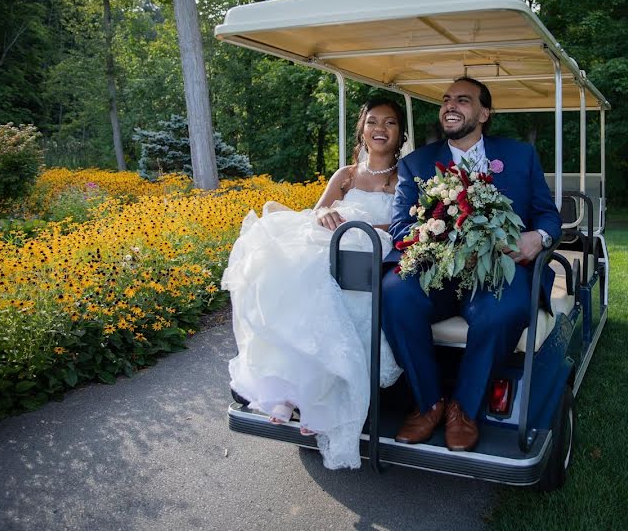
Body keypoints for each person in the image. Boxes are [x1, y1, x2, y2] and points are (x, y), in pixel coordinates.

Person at [222, 98, 407, 470]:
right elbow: (319, 210)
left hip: (373, 254)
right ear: (363, 130)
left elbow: (405, 227)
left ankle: (319, 398)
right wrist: (328, 215)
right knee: (297, 277)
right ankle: (291, 392)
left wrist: (365, 227)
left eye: (389, 123)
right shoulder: (346, 175)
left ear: (400, 133)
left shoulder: (402, 178)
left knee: (340, 299)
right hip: (336, 248)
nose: (380, 128)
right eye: (373, 121)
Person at [382, 77, 562, 452]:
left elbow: (547, 216)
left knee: (504, 311)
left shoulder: (519, 156)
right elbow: (401, 227)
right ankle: (429, 402)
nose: (450, 106)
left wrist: (537, 238)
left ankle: (463, 409)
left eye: (463, 100)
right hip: (438, 268)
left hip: (500, 268)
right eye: (446, 100)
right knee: (395, 294)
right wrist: (440, 233)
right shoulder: (415, 164)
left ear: (484, 113)